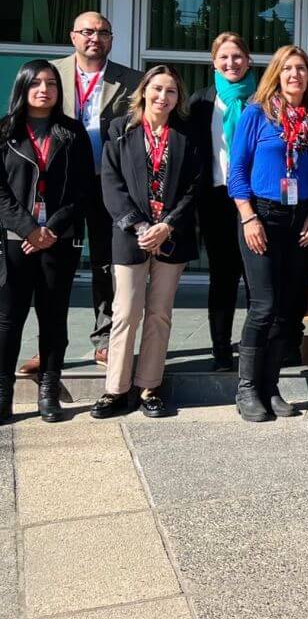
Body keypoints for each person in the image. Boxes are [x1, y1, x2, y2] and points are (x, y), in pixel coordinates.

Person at [93, 66, 202, 420]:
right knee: (125, 312)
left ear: (177, 98)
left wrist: (167, 225)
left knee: (159, 314)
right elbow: (111, 184)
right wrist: (140, 226)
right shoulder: (120, 130)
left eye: (171, 91)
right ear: (144, 92)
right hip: (130, 237)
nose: (163, 97)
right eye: (157, 89)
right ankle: (115, 390)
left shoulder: (187, 136)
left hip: (171, 236)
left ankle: (149, 386)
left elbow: (193, 187)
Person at [227, 45, 308, 423]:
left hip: (300, 221)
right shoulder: (256, 114)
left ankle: (270, 387)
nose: (295, 75)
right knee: (264, 306)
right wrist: (249, 218)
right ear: (276, 74)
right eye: (287, 69)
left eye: (301, 69)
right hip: (261, 218)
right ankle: (247, 389)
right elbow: (237, 173)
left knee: (289, 311)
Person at [45, 11, 141, 369]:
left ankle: (105, 339)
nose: (94, 38)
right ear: (73, 36)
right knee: (54, 266)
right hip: (62, 186)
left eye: (102, 32)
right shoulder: (50, 74)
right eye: (87, 31)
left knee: (106, 263)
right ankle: (50, 342)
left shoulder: (132, 80)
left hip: (108, 185)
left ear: (111, 39)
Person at [0, 60, 94, 423]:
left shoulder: (72, 133)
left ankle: (49, 389)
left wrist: (50, 229)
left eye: (51, 83)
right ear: (22, 87)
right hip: (14, 240)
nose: (44, 89)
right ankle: (4, 391)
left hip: (60, 237)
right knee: (9, 319)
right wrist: (28, 229)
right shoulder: (5, 131)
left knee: (53, 317)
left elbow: (84, 188)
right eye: (36, 83)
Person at [189, 33, 256, 372]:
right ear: (213, 62)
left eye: (237, 56)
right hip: (216, 199)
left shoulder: (264, 98)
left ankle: (254, 348)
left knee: (255, 277)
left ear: (249, 60)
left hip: (256, 202)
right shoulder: (200, 102)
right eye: (224, 57)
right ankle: (220, 350)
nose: (231, 63)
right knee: (222, 278)